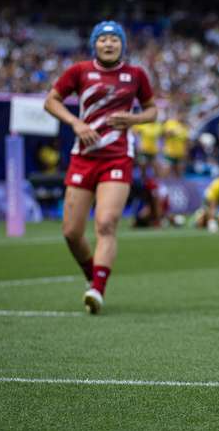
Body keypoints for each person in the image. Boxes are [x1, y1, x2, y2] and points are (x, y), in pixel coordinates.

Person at [44, 21, 156, 314]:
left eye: (114, 40)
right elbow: (51, 101)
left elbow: (152, 110)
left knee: (106, 224)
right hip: (83, 157)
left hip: (117, 157)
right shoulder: (79, 71)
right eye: (103, 39)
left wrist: (133, 120)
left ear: (122, 45)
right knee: (71, 232)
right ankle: (92, 276)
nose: (109, 44)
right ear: (95, 44)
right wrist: (75, 123)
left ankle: (97, 290)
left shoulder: (135, 75)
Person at [162, 111, 189, 177]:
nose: (182, 117)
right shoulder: (170, 123)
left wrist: (186, 151)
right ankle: (164, 186)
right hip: (169, 152)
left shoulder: (185, 127)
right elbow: (165, 135)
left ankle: (177, 186)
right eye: (180, 115)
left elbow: (186, 141)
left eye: (183, 115)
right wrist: (175, 131)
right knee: (166, 171)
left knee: (179, 172)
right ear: (177, 114)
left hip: (180, 153)